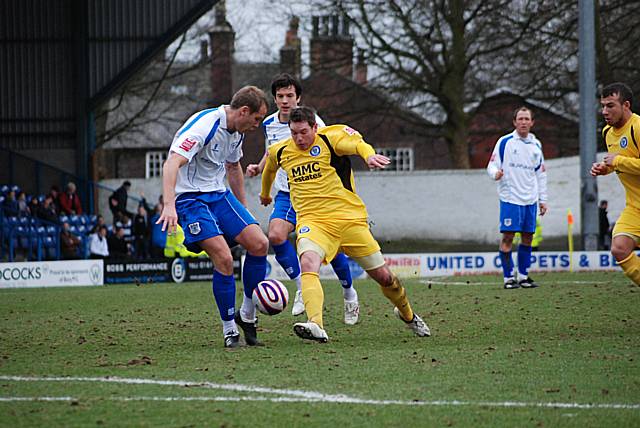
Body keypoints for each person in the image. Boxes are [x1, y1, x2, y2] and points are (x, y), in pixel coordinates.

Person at [260, 106, 429, 342]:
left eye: (304, 132)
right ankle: (315, 324)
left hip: (350, 221)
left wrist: (368, 155)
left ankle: (408, 316)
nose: (298, 138)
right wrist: (265, 194)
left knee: (384, 277)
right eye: (294, 133)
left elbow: (358, 144)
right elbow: (269, 169)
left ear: (315, 128)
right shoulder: (281, 151)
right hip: (314, 223)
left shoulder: (331, 139)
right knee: (308, 262)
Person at [157, 85, 270, 348]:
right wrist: (169, 205)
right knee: (224, 258)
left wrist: (243, 209)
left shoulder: (237, 132)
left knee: (260, 243)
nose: (257, 125)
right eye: (257, 119)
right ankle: (230, 330)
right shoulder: (204, 126)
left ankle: (247, 315)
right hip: (191, 199)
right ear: (244, 111)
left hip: (218, 195)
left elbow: (233, 167)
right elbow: (171, 163)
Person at [246, 73, 358, 323]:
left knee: (333, 248)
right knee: (275, 235)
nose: (285, 101)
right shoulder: (269, 124)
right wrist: (260, 166)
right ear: (274, 99)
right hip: (287, 193)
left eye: (289, 96)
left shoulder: (315, 122)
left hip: (317, 196)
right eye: (280, 96)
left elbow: (332, 152)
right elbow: (272, 151)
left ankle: (349, 292)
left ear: (298, 97)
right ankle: (300, 286)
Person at [487, 106, 548, 289]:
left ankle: (523, 276)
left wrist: (542, 199)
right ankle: (508, 278)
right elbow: (490, 165)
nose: (523, 122)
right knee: (508, 237)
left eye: (526, 119)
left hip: (530, 200)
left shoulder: (536, 146)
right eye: (520, 119)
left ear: (532, 122)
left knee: (528, 237)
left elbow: (541, 174)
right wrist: (495, 173)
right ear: (514, 122)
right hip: (510, 198)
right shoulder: (505, 142)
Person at [591, 82, 640, 285]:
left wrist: (617, 162)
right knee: (619, 248)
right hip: (635, 207)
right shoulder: (608, 133)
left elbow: (620, 159)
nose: (604, 111)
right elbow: (619, 160)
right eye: (603, 105)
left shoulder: (638, 128)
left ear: (626, 105)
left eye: (610, 105)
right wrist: (605, 169)